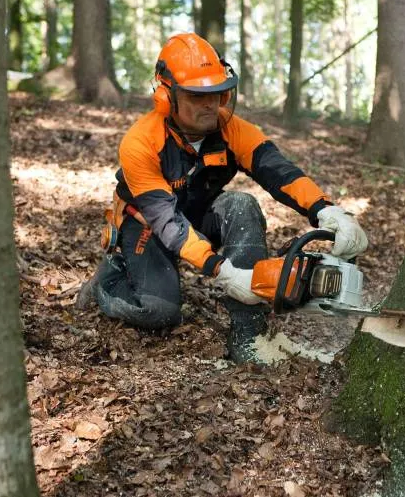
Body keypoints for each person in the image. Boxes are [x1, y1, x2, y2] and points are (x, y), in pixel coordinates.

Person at [87, 32, 368, 363]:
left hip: (197, 213)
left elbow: (278, 170)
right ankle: (108, 278)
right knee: (157, 311)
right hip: (147, 223)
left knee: (241, 205)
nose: (211, 104)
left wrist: (326, 210)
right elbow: (165, 220)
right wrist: (222, 271)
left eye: (218, 94)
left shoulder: (231, 128)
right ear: (167, 97)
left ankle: (249, 335)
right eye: (197, 96)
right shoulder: (140, 144)